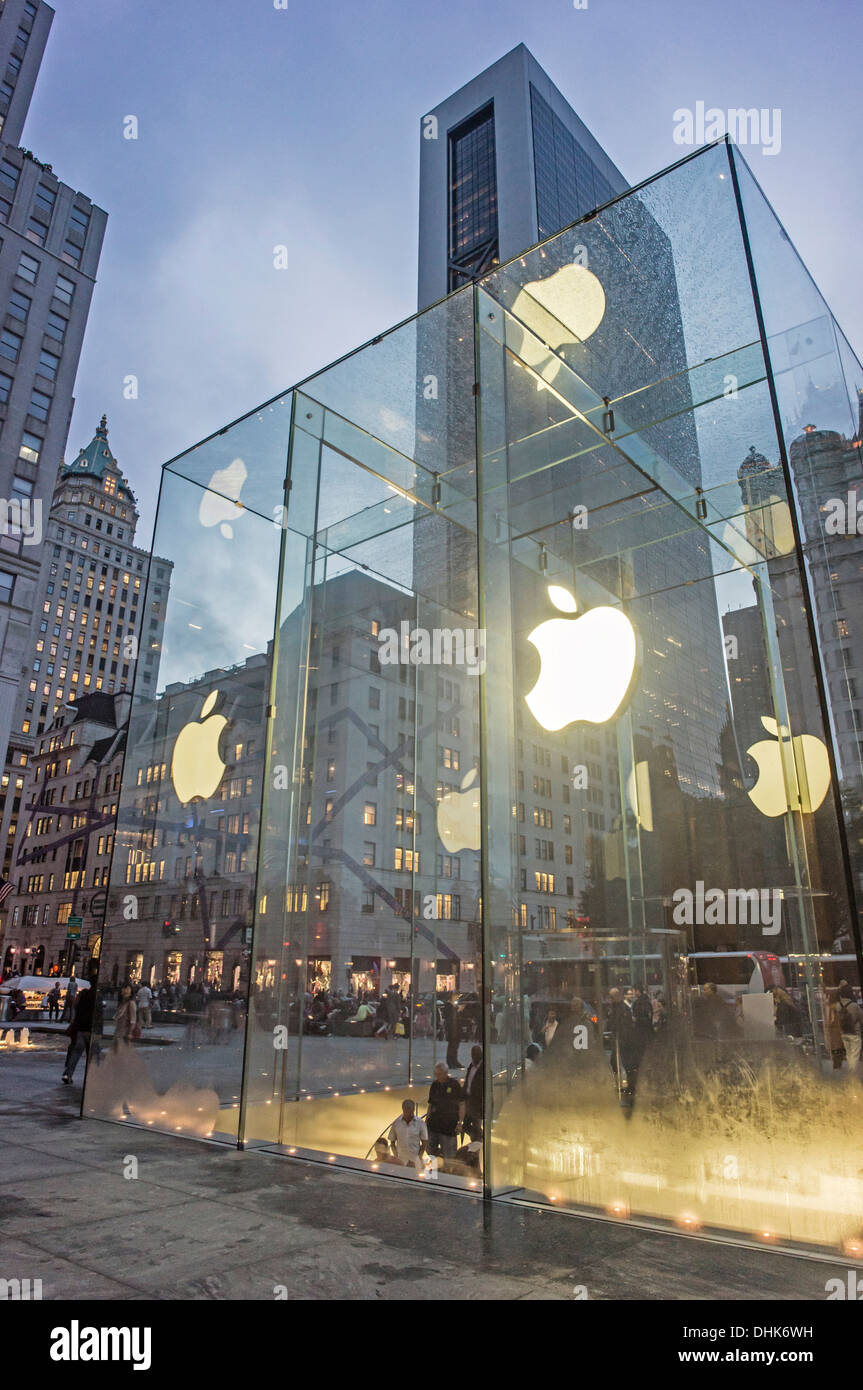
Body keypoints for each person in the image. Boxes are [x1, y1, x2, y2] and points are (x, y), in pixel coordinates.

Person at [426, 1061, 462, 1161]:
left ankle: (448, 1174)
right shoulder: (434, 1085)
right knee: (430, 1151)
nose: (437, 1076)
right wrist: (427, 1120)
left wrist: (460, 1122)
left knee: (449, 1155)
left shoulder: (454, 1085)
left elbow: (461, 1104)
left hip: (448, 1127)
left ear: (446, 1073)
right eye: (436, 1074)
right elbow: (430, 1104)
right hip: (433, 1125)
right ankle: (433, 1172)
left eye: (439, 1074)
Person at [61, 982, 94, 1084]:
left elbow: (77, 1015)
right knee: (92, 1056)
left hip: (80, 1029)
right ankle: (91, 1078)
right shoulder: (95, 998)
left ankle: (67, 1074)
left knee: (76, 1053)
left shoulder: (82, 998)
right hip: (90, 1030)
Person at [387, 1098, 428, 1168]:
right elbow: (392, 1142)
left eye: (410, 1111)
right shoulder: (396, 1123)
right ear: (403, 1110)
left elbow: (424, 1143)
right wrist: (396, 1156)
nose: (408, 1113)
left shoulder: (420, 1123)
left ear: (413, 1110)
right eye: (406, 1111)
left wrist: (418, 1158)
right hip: (400, 1161)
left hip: (415, 1161)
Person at [837, 985, 863, 1075]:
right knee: (854, 1055)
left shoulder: (838, 1005)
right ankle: (852, 1075)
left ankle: (851, 1072)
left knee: (849, 1055)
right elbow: (861, 1018)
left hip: (843, 1033)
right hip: (854, 1034)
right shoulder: (854, 1006)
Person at [461, 1044, 484, 1141]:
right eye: (473, 1054)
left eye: (476, 1054)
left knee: (476, 1126)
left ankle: (479, 1139)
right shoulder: (471, 1067)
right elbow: (468, 1082)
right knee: (465, 1126)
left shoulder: (484, 1069)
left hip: (478, 1104)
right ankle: (479, 1138)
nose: (473, 1056)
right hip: (469, 1102)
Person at [112, 983, 137, 1051]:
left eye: (127, 991)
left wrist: (130, 1033)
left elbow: (133, 1020)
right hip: (118, 1031)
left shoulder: (131, 1003)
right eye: (123, 991)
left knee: (121, 1051)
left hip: (125, 1031)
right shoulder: (122, 1003)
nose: (124, 993)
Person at [444, 991, 461, 1069]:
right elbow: (448, 1016)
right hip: (451, 1028)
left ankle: (454, 1060)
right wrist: (456, 1009)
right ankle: (450, 1061)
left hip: (456, 1027)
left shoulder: (453, 1005)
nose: (456, 998)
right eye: (455, 996)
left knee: (455, 1045)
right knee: (452, 1045)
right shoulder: (448, 1005)